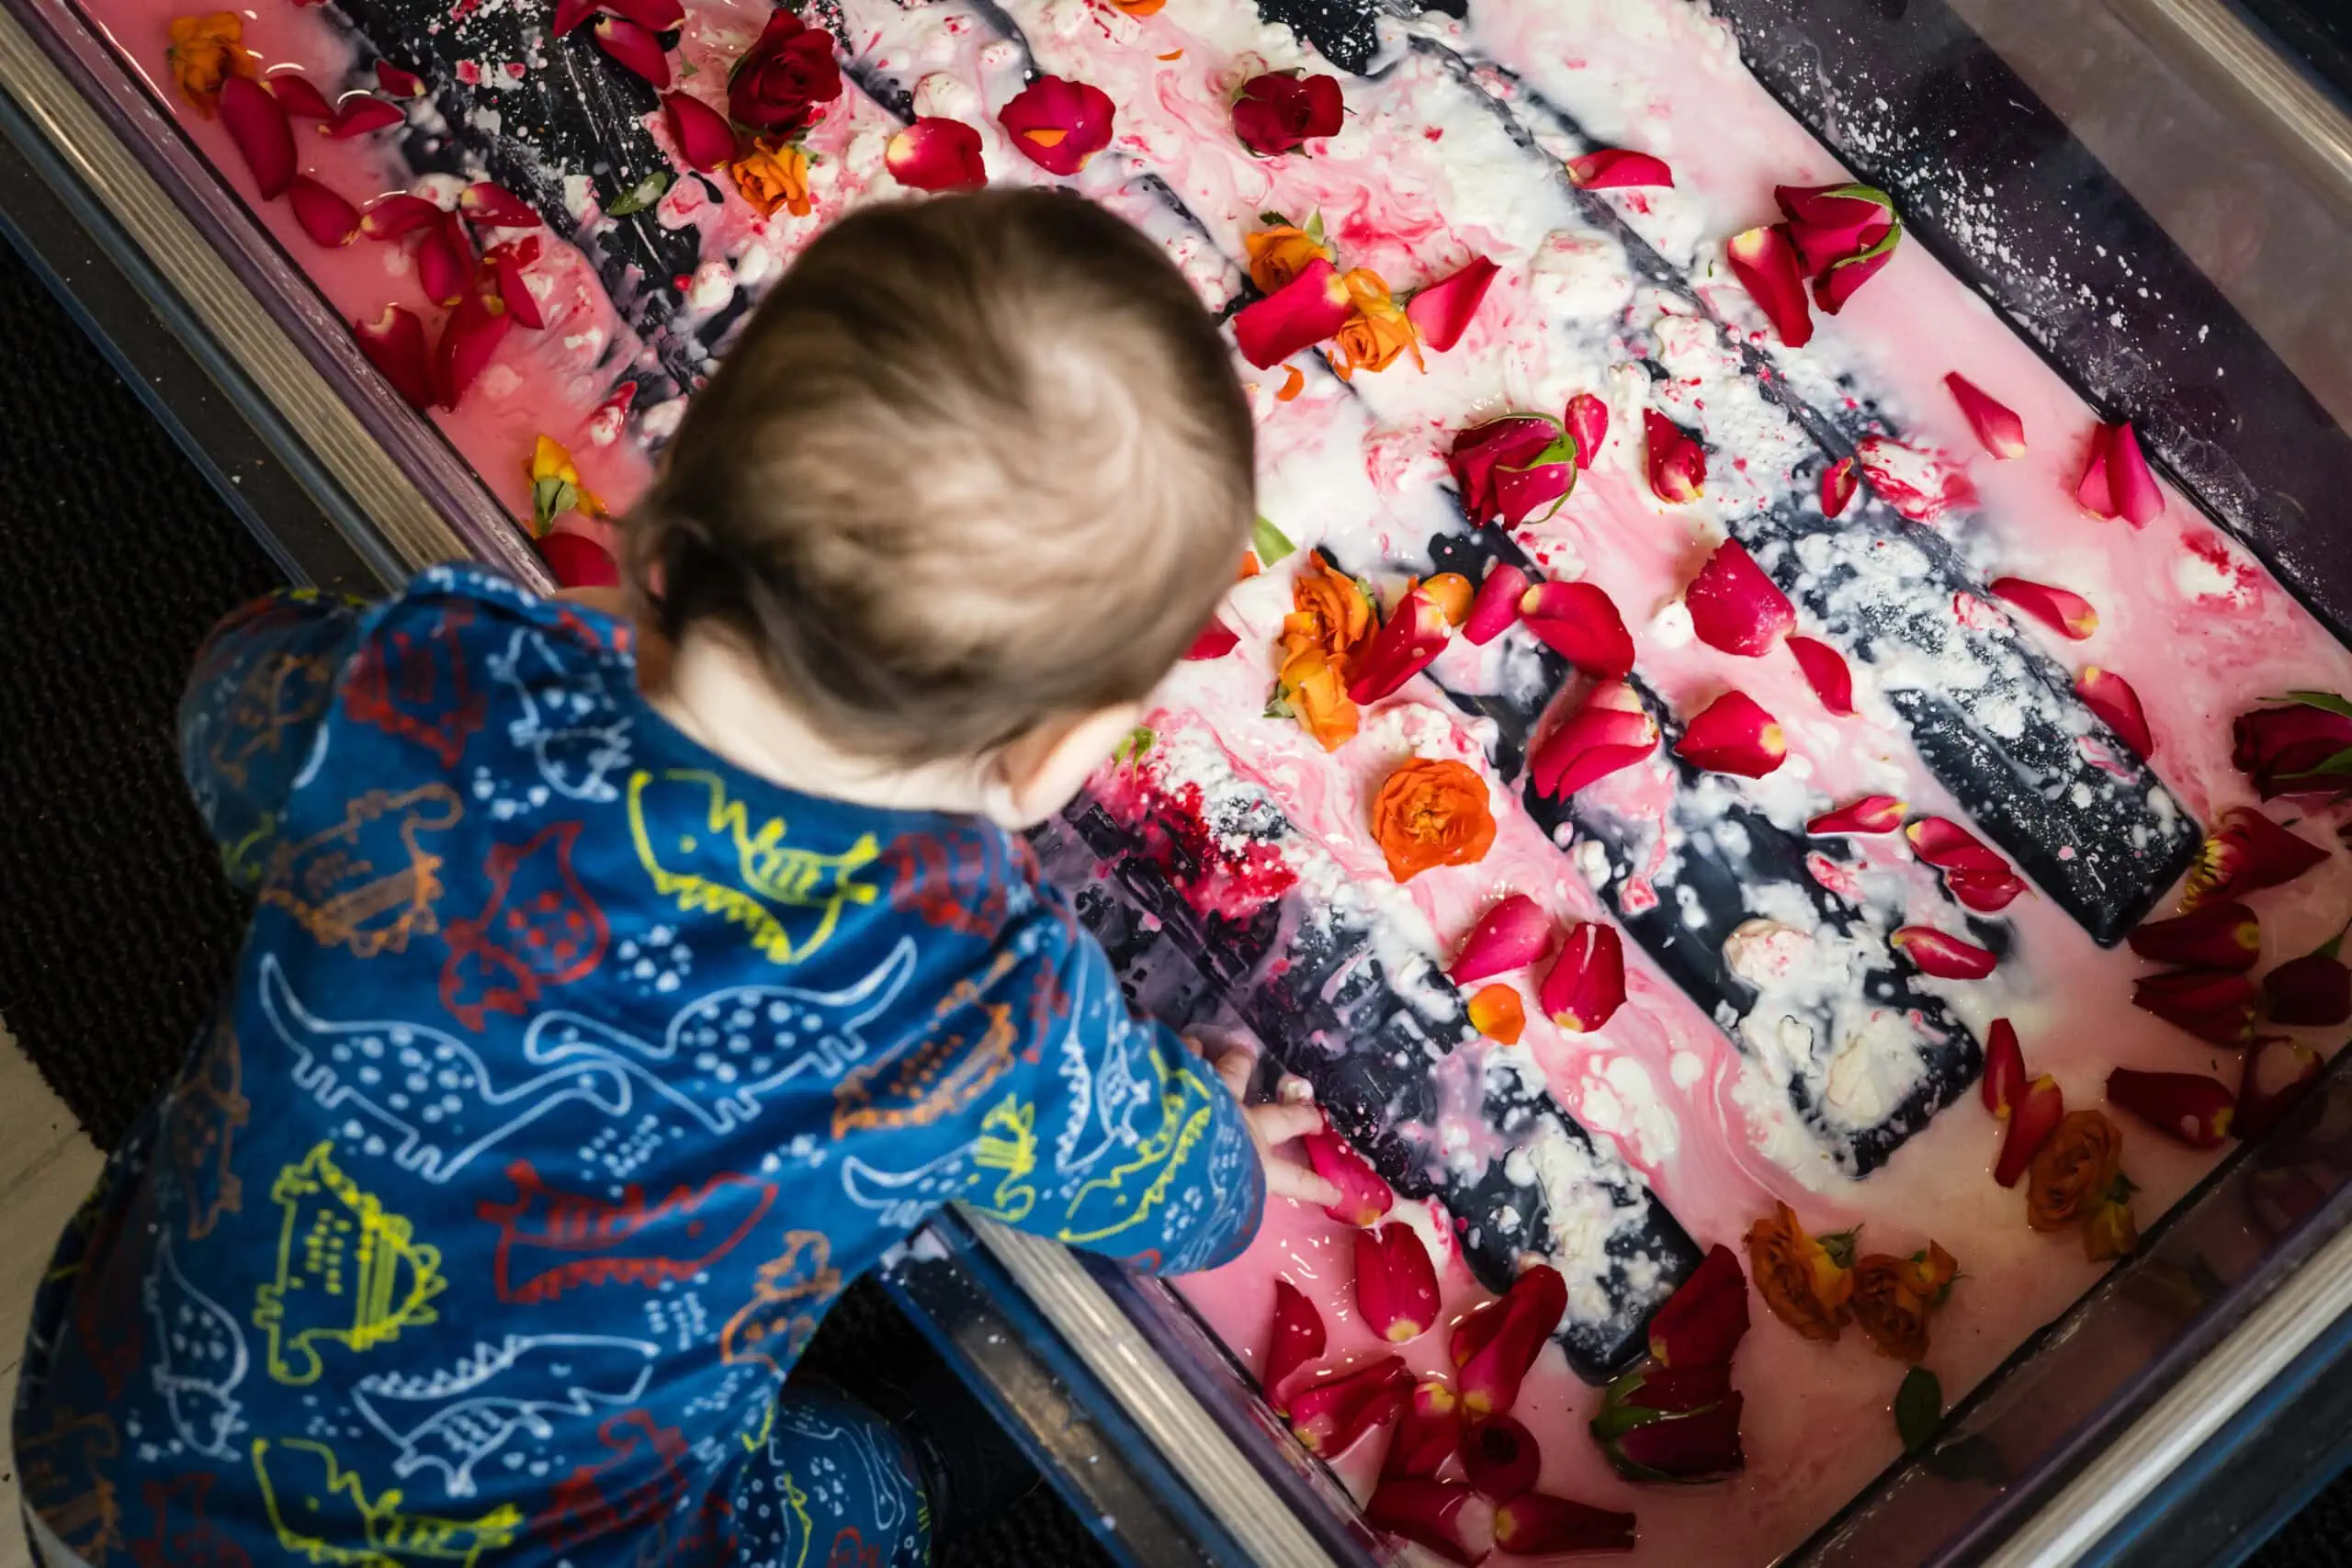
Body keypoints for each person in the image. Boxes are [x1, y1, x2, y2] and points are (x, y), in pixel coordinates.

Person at [12, 188, 1336, 1568]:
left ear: (680, 479)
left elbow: (232, 701)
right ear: (1060, 744)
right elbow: (1166, 1193)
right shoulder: (978, 994)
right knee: (859, 1478)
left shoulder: (431, 692)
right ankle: (924, 1480)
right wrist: (1230, 1162)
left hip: (124, 1484)